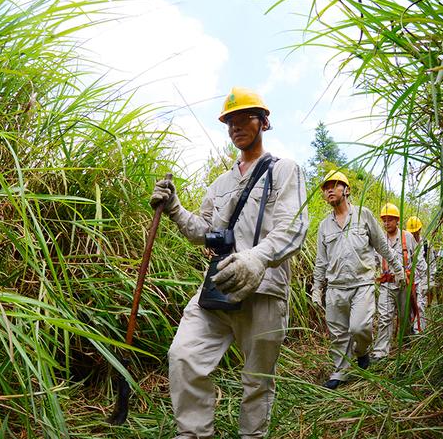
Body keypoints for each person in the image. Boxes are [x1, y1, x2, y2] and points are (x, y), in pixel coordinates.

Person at [151, 87, 309, 439]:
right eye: (230, 121)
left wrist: (257, 258)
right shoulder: (221, 183)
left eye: (245, 118)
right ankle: (193, 433)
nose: (237, 126)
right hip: (218, 287)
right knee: (184, 356)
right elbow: (203, 231)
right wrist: (176, 209)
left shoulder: (285, 170)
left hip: (265, 289)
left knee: (257, 381)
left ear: (263, 122)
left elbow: (293, 225)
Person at [311, 172, 405, 390]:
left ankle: (361, 351)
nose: (330, 190)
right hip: (335, 288)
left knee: (360, 327)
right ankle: (340, 372)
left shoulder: (363, 215)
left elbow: (382, 246)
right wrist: (317, 288)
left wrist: (398, 269)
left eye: (335, 185)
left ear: (347, 189)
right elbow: (320, 261)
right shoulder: (324, 226)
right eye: (326, 188)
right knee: (338, 334)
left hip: (361, 284)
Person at [371, 204, 427, 361]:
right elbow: (374, 260)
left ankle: (406, 344)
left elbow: (418, 258)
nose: (387, 223)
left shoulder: (407, 237)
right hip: (386, 284)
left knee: (405, 317)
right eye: (384, 220)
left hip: (405, 285)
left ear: (397, 221)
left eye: (390, 220)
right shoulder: (380, 239)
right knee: (384, 317)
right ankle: (381, 352)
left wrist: (423, 281)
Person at [406, 215, 435, 331]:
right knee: (410, 307)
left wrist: (429, 281)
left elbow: (432, 264)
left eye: (415, 232)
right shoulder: (406, 243)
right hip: (410, 280)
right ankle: (410, 331)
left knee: (420, 305)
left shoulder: (426, 245)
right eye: (411, 233)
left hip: (423, 279)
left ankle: (419, 332)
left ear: (419, 230)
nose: (413, 235)